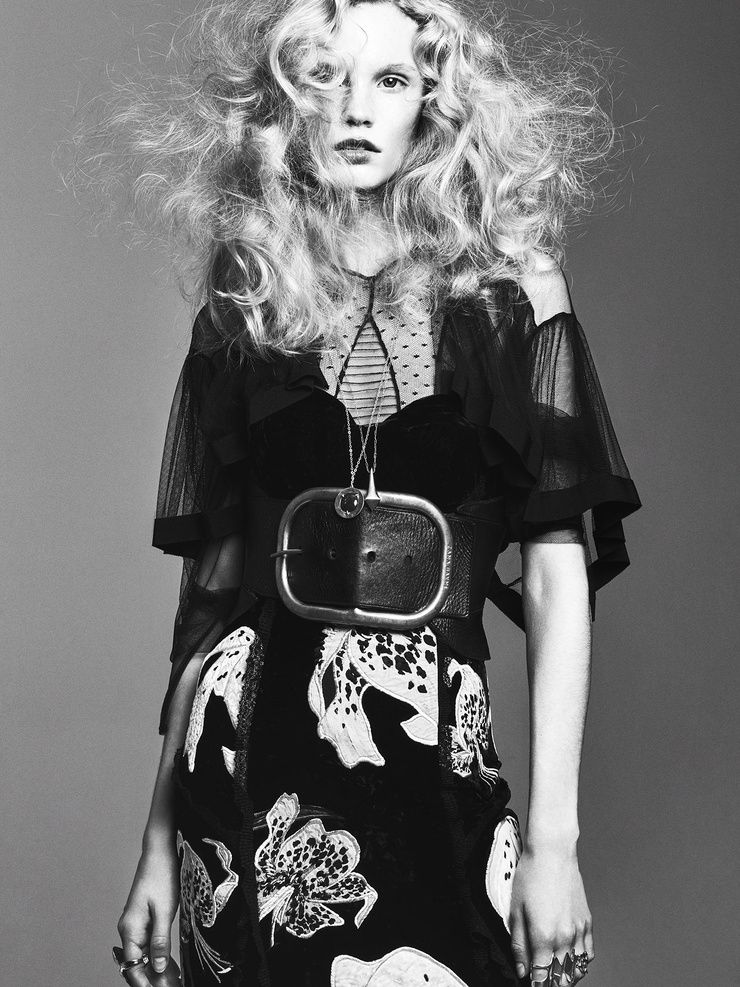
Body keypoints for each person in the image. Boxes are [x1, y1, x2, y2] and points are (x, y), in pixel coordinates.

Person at [103, 1, 640, 984]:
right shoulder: (250, 281)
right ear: (284, 101)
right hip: (246, 755)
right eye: (325, 79)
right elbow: (212, 594)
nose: (355, 109)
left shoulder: (513, 285)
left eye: (388, 80)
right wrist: (155, 843)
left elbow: (557, 572)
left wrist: (553, 844)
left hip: (432, 745)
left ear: (433, 99)